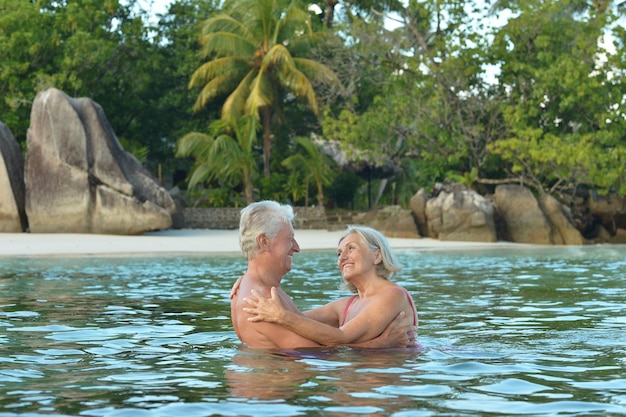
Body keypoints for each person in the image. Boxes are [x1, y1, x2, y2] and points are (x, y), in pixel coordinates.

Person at [230, 200, 416, 349]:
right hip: (363, 386)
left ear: (377, 255)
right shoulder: (259, 300)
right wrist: (381, 344)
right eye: (339, 253)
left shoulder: (392, 295)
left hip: (386, 391)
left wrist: (252, 280)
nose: (342, 257)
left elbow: (297, 322)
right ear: (263, 242)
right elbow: (311, 344)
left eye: (351, 248)